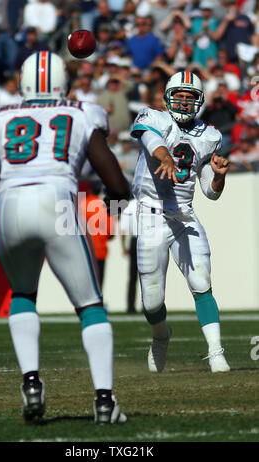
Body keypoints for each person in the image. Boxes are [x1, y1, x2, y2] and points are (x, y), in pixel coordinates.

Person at [0, 51, 129, 424]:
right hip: (56, 201)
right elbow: (115, 179)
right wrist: (117, 205)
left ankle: (30, 381)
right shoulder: (81, 112)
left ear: (23, 82)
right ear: (64, 81)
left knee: (23, 295)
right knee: (90, 305)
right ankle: (105, 401)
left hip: (8, 206)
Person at [130, 70, 231, 374]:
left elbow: (210, 192)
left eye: (191, 98)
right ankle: (161, 335)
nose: (185, 103)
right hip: (150, 213)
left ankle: (216, 352)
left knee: (201, 281)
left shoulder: (210, 136)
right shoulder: (153, 117)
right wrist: (164, 156)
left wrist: (219, 176)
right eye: (180, 96)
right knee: (151, 301)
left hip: (184, 214)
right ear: (168, 97)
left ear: (199, 101)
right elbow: (150, 139)